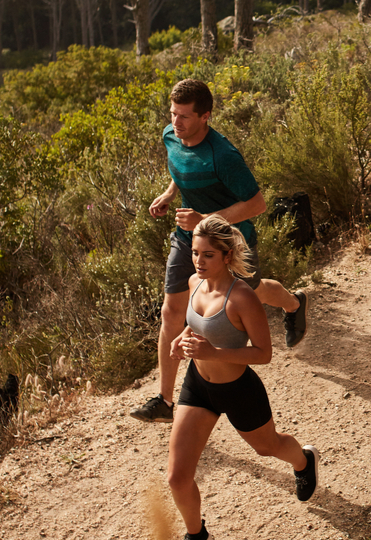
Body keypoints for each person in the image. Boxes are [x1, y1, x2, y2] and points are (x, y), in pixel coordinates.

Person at [132, 78, 307, 424]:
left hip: (231, 242)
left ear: (205, 116)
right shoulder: (172, 135)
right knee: (172, 311)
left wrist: (205, 218)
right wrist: (170, 194)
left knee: (252, 293)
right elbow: (178, 164)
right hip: (188, 239)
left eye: (184, 117)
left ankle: (294, 303)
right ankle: (165, 401)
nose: (176, 123)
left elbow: (256, 203)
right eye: (173, 114)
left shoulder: (223, 156)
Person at [161, 214, 316, 540]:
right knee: (177, 475)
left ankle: (304, 461)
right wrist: (181, 342)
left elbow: (263, 353)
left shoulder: (242, 297)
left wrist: (214, 352)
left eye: (208, 255)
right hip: (198, 387)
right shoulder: (194, 283)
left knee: (268, 446)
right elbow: (193, 327)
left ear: (227, 256)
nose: (199, 261)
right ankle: (196, 534)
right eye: (196, 253)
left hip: (238, 389)